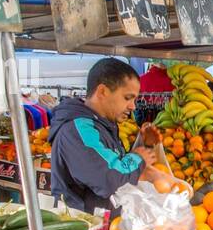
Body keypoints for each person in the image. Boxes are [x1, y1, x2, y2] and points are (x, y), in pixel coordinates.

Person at [49, 57, 159, 214]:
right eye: (127, 98)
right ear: (102, 92)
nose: (133, 106)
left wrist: (143, 145)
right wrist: (138, 157)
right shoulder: (79, 130)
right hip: (84, 229)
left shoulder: (102, 125)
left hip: (103, 226)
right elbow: (110, 179)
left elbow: (112, 162)